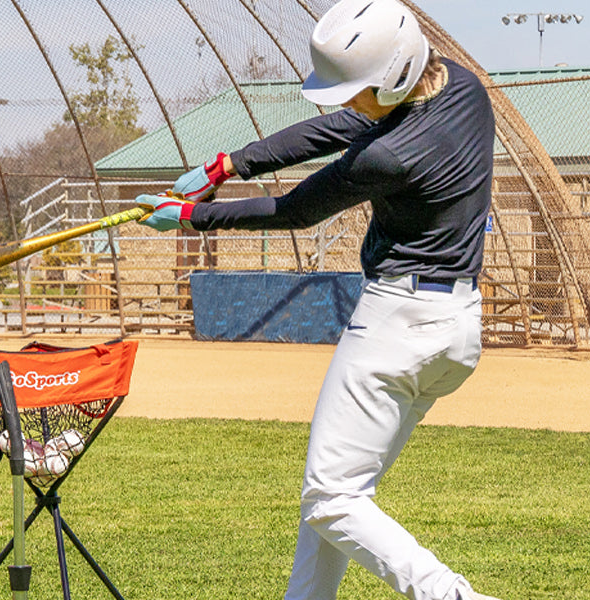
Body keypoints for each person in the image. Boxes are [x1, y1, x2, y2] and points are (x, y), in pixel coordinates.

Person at [134, 2, 498, 599]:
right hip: (454, 328)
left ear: (398, 74)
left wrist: (193, 217)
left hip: (396, 326)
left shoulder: (390, 155)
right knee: (337, 489)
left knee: (332, 499)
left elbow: (297, 210)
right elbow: (337, 129)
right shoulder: (462, 86)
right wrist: (227, 164)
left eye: (358, 91)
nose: (349, 104)